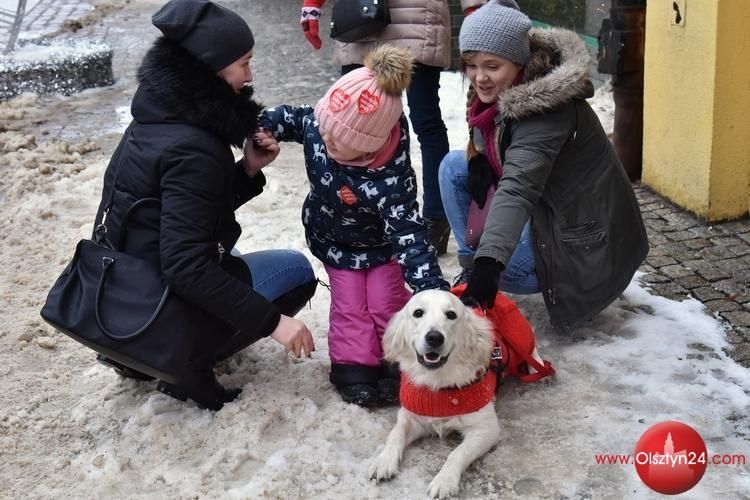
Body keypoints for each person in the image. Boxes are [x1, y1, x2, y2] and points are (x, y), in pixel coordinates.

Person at [92, 0, 318, 411]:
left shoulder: (154, 117)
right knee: (296, 270)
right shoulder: (196, 146)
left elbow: (182, 209)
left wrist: (247, 169)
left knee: (224, 253)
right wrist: (275, 324)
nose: (249, 76)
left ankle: (159, 351)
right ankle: (185, 361)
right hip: (156, 313)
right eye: (243, 64)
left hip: (121, 299)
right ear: (210, 67)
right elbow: (185, 267)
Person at [439, 0, 649, 331]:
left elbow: (518, 188)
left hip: (586, 241)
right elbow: (491, 138)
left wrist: (489, 266)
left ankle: (481, 276)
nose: (479, 77)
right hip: (548, 209)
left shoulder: (545, 109)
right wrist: (479, 155)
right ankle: (473, 265)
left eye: (492, 66)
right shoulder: (502, 92)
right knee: (453, 167)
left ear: (519, 61)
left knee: (503, 267)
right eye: (471, 65)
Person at [259, 45, 449, 407]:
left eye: (337, 142)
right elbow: (295, 119)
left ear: (368, 150)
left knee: (385, 302)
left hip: (382, 248)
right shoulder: (324, 124)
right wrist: (264, 125)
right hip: (335, 241)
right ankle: (354, 369)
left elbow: (409, 234)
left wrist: (432, 290)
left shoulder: (390, 178)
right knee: (349, 305)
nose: (324, 141)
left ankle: (398, 363)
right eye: (324, 132)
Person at [299, 0, 486, 255]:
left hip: (414, 17)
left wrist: (475, 11)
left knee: (425, 121)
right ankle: (358, 216)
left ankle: (434, 218)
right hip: (362, 18)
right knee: (348, 122)